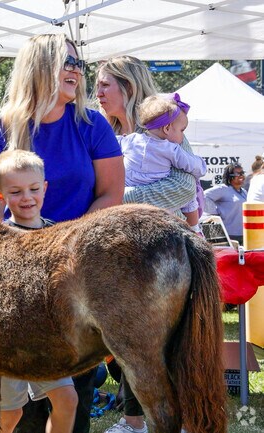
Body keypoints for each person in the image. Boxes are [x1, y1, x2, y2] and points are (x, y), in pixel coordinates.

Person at [0, 33, 124, 433]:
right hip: (16, 275)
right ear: (38, 68)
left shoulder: (92, 126)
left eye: (78, 63)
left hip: (78, 271)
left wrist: (61, 245)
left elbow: (112, 195)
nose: (76, 70)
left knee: (72, 398)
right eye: (66, 62)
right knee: (14, 410)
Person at [96, 56, 199, 433]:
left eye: (106, 84)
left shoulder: (161, 125)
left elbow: (185, 186)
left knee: (169, 344)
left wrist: (117, 198)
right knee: (126, 341)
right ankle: (133, 420)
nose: (98, 92)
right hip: (118, 254)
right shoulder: (101, 129)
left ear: (128, 86)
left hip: (166, 254)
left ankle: (178, 418)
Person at [0, 149, 78, 433]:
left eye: (33, 189)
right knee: (9, 415)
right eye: (15, 191)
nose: (26, 197)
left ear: (45, 188)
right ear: (0, 195)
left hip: (48, 340)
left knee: (67, 399)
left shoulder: (60, 235)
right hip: (8, 344)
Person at [120, 93, 206, 234]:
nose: (182, 136)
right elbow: (192, 165)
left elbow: (114, 143)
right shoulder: (171, 149)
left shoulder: (131, 140)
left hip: (130, 189)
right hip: (161, 204)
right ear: (166, 128)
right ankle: (195, 229)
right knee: (191, 194)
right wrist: (201, 166)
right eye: (182, 130)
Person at [203, 164, 247, 244]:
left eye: (242, 173)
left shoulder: (244, 192)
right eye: (238, 174)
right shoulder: (223, 189)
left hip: (244, 234)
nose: (241, 176)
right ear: (229, 176)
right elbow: (204, 196)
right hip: (228, 235)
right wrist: (215, 212)